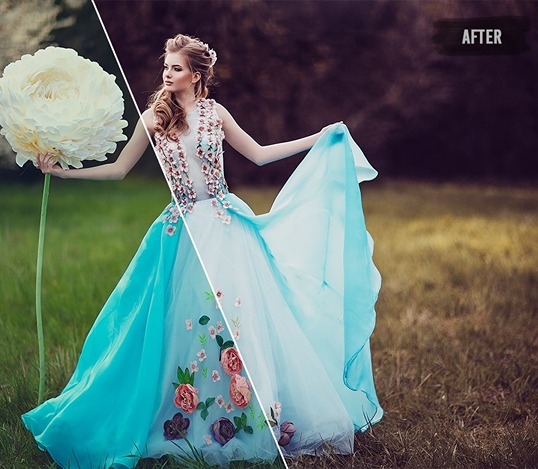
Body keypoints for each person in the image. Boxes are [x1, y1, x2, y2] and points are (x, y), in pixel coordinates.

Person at [22, 34, 383, 469]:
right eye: (165, 67)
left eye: (175, 68)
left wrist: (317, 138)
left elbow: (261, 155)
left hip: (227, 225)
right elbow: (119, 170)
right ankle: (181, 416)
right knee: (179, 322)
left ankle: (252, 414)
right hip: (181, 230)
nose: (167, 74)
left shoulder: (216, 113)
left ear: (196, 74)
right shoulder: (154, 118)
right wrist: (61, 173)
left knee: (241, 319)